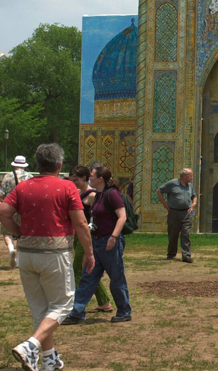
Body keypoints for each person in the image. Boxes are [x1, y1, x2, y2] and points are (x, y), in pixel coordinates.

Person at [0, 144, 94, 371]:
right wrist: (89, 252)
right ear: (59, 165)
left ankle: (49, 359)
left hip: (27, 256)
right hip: (55, 253)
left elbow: (4, 211)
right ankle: (30, 346)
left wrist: (18, 232)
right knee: (63, 305)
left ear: (38, 164)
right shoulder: (67, 187)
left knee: (41, 310)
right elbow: (80, 223)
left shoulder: (23, 188)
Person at [63, 165, 132, 325]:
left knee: (116, 277)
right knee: (88, 277)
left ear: (100, 178)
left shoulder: (112, 194)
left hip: (110, 242)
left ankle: (124, 310)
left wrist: (114, 237)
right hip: (97, 241)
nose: (90, 178)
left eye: (92, 175)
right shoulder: (99, 195)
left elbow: (122, 217)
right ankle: (77, 312)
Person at [68, 166, 113, 313]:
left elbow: (98, 217)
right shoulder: (77, 193)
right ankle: (104, 302)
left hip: (87, 236)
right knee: (88, 270)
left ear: (85, 178)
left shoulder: (92, 195)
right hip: (77, 235)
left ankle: (74, 306)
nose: (73, 182)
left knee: (78, 269)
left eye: (76, 180)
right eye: (71, 180)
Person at [156, 168, 197, 263]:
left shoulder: (190, 186)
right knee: (173, 234)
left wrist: (194, 203)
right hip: (174, 213)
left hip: (186, 213)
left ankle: (186, 256)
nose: (192, 177)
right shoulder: (173, 183)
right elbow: (159, 191)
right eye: (190, 175)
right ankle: (171, 253)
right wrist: (165, 205)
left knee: (186, 234)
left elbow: (194, 195)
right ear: (184, 176)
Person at [0, 155, 33, 269]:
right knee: (21, 232)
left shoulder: (7, 176)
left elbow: (1, 193)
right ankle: (18, 260)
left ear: (14, 164)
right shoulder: (30, 176)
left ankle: (10, 248)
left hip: (9, 207)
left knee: (7, 232)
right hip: (24, 208)